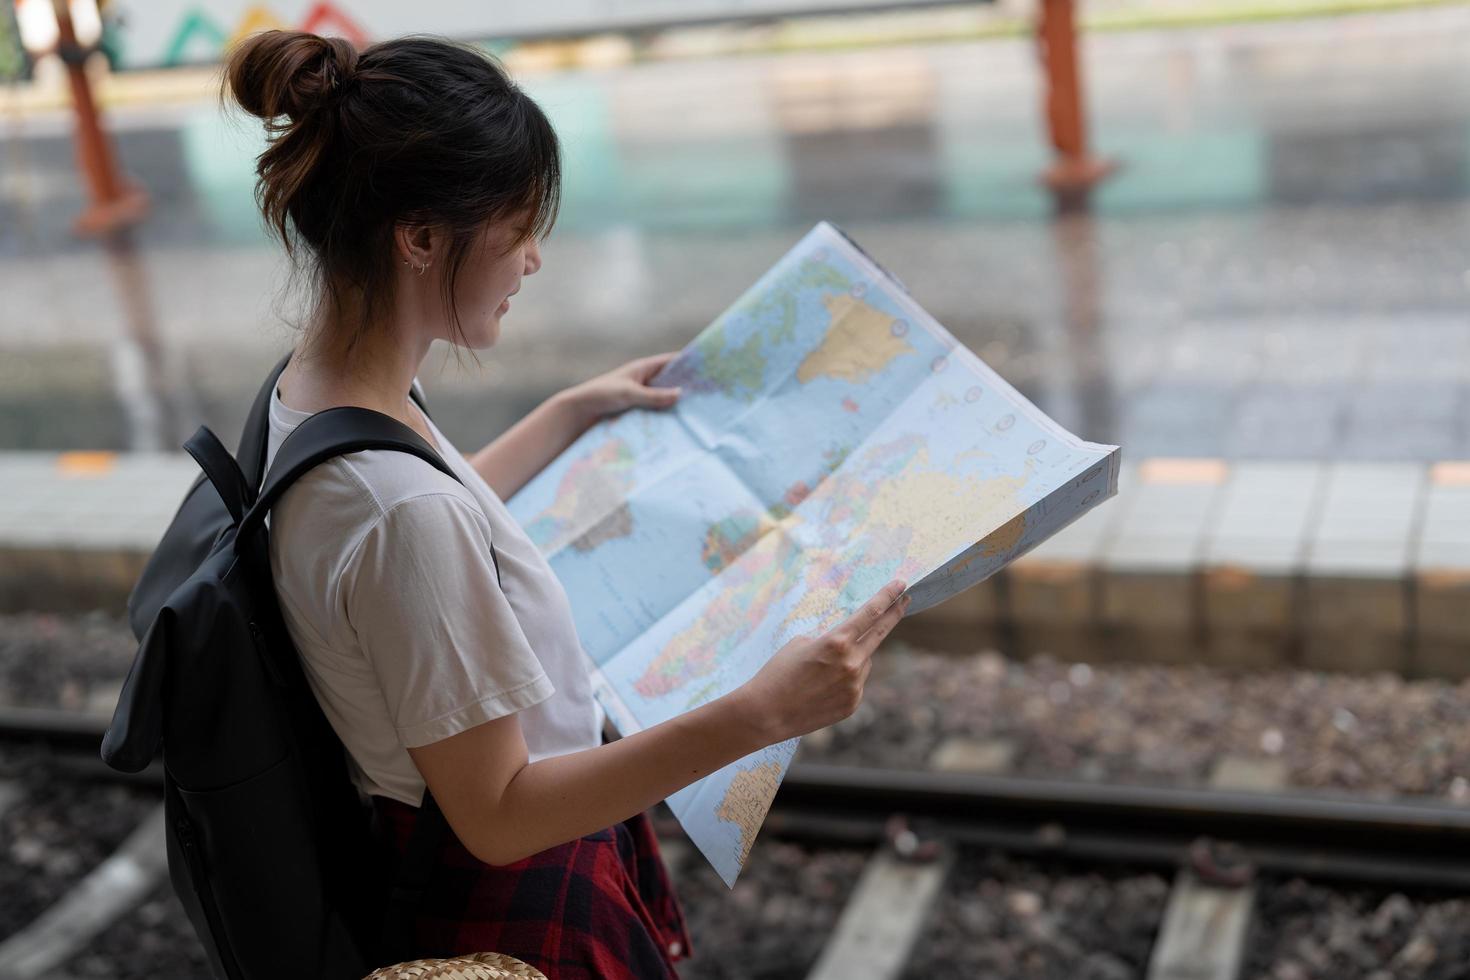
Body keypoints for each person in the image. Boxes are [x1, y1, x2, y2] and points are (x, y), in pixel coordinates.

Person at [225, 29, 910, 979]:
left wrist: (569, 412)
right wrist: (759, 714)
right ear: (420, 237)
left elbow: (422, 515)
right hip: (503, 898)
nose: (534, 259)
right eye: (517, 227)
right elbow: (501, 816)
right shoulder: (399, 516)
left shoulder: (316, 395)